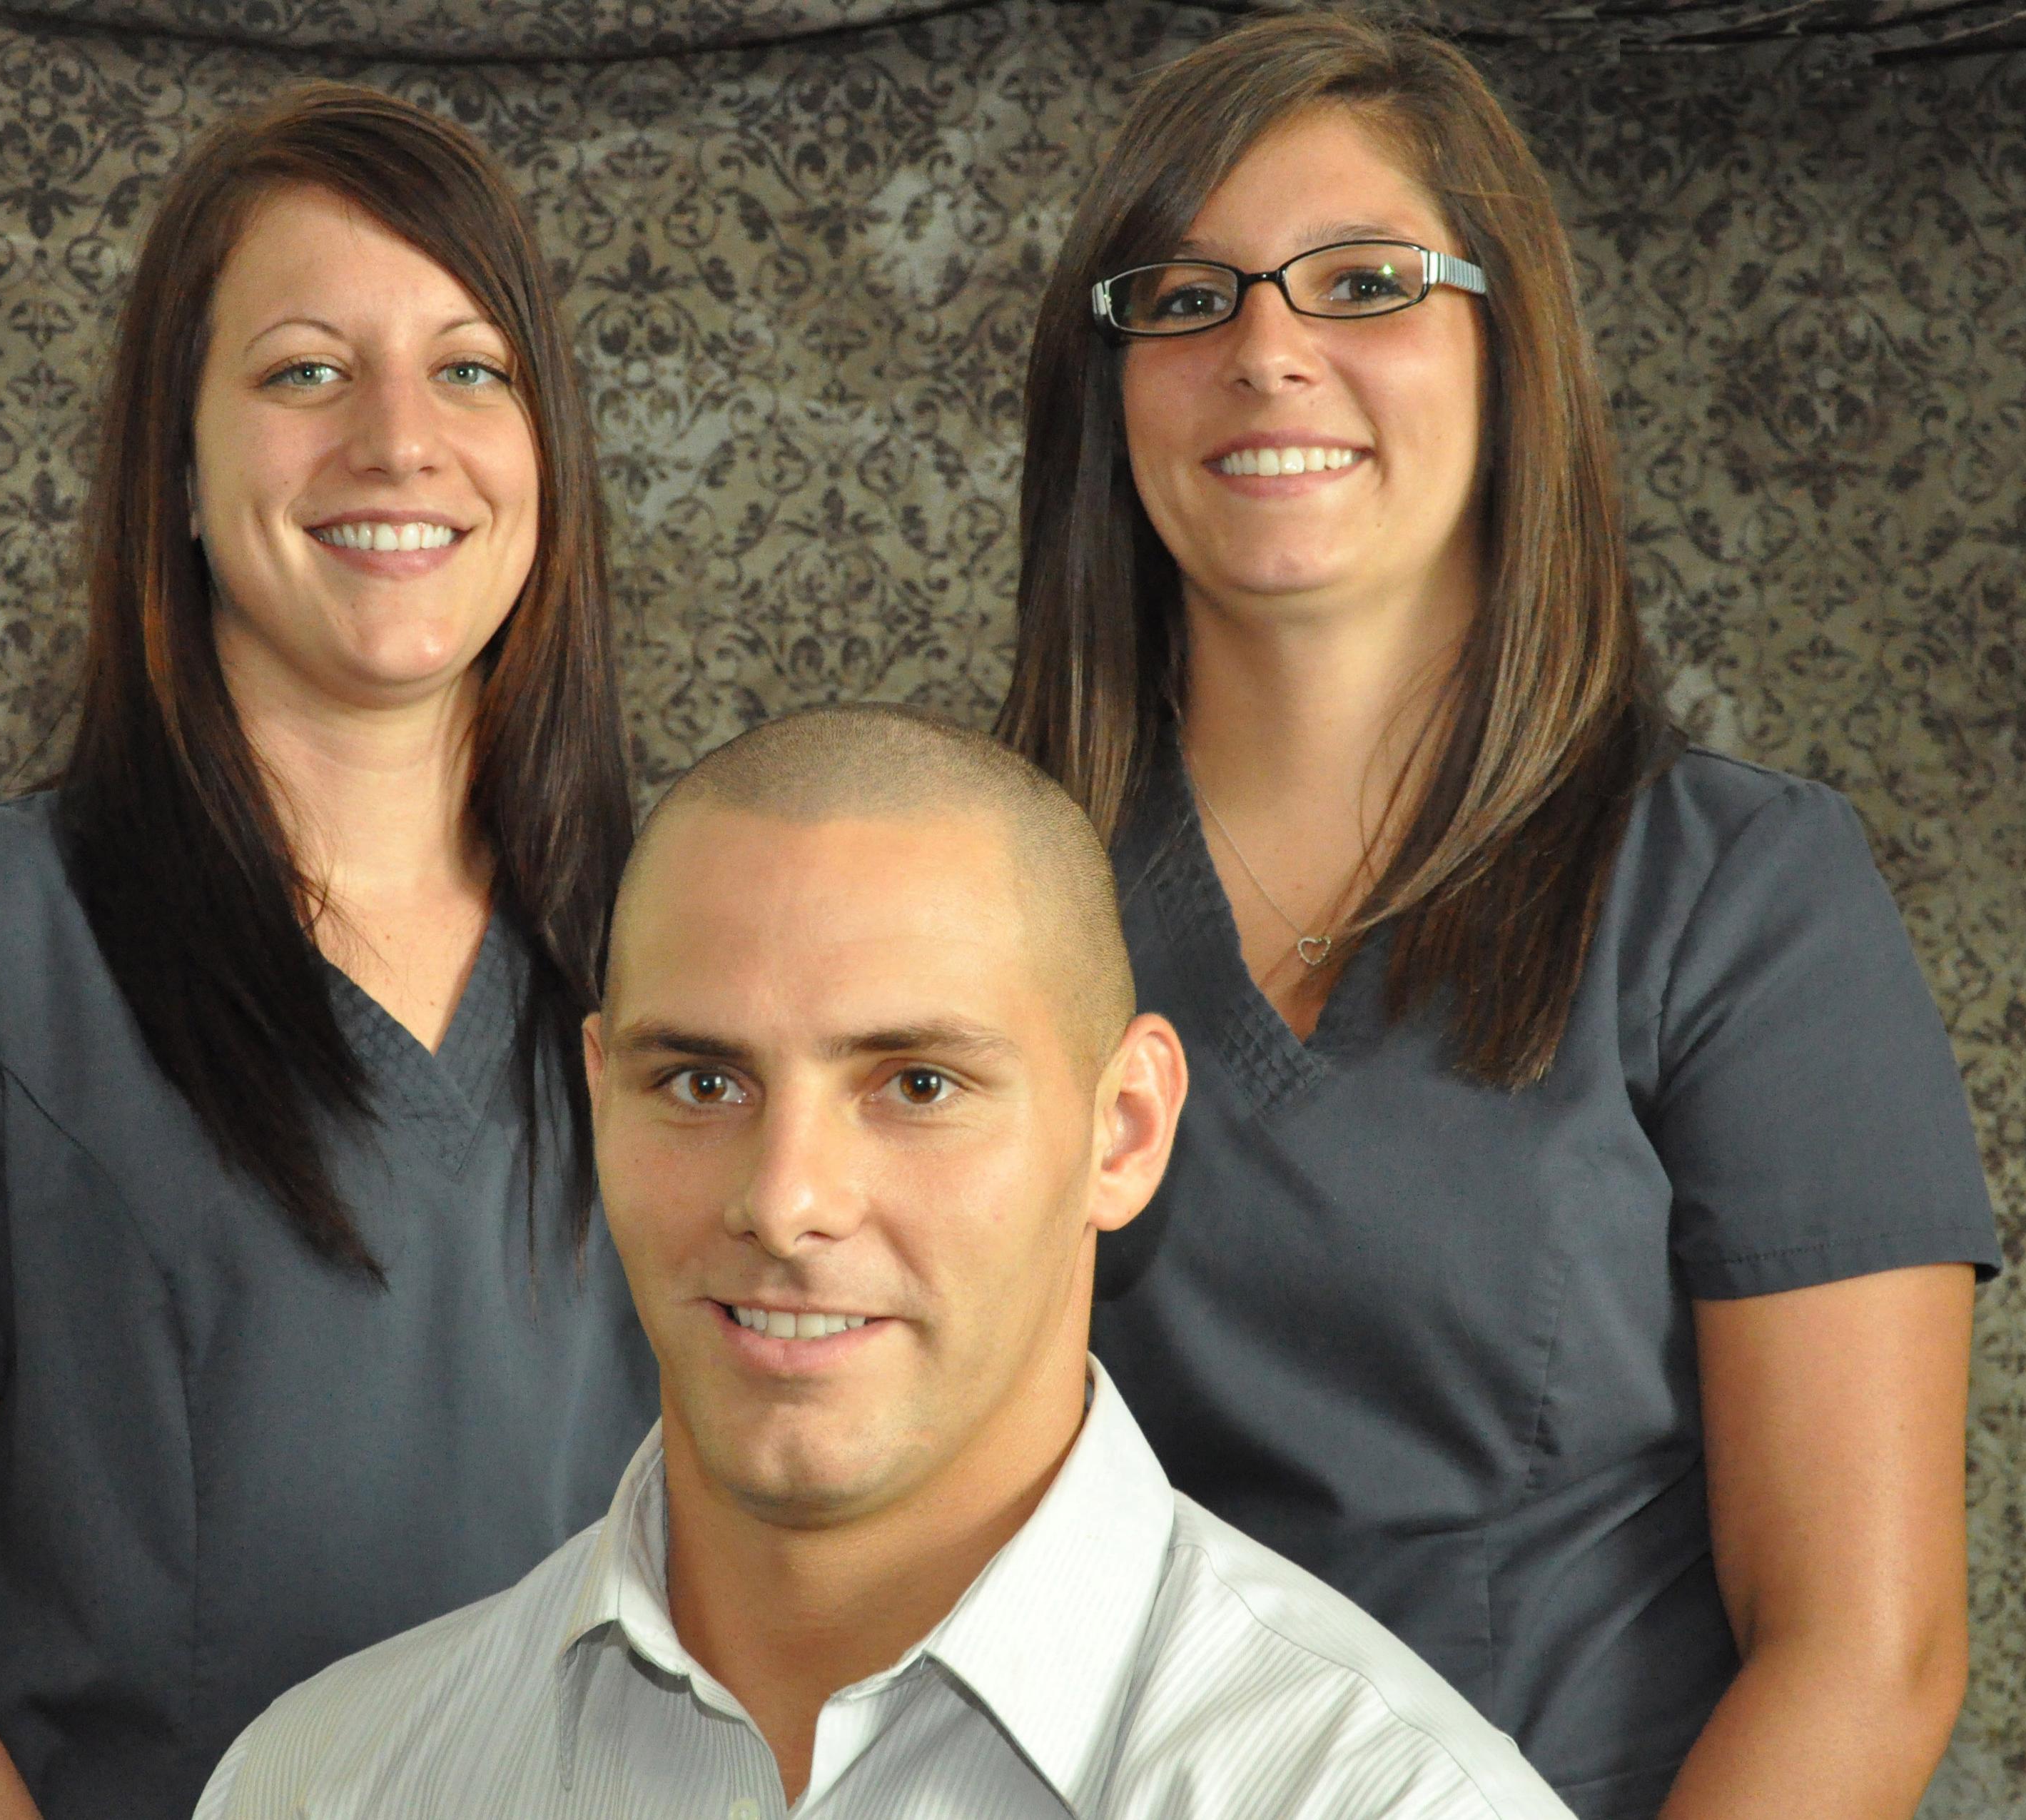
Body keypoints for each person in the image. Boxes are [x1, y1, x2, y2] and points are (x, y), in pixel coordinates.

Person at [998, 16, 2002, 1820]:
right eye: (1187, 296)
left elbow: (1864, 1654)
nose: (1268, 353)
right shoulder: (975, 890)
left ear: (1509, 350)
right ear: (1114, 382)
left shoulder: (1740, 898)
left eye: (1365, 282)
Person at [0, 84, 655, 1820]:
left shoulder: (673, 947)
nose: (399, 441)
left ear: (547, 463)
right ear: (180, 471)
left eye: (470, 370)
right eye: (303, 372)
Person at [193, 704, 1578, 1819]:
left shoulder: (1388, 1799)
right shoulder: (323, 1786)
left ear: (1125, 1130)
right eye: (700, 1083)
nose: (787, 1202)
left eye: (916, 1085)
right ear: (599, 1101)